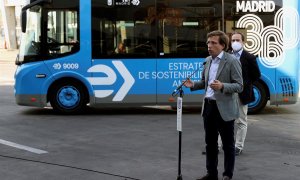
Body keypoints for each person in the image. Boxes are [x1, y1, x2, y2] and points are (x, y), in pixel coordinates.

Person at [183, 30, 243, 180]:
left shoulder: (232, 61)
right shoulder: (207, 60)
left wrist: (223, 86)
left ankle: (227, 175)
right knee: (210, 144)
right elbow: (205, 83)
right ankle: (211, 174)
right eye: (208, 43)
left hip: (224, 109)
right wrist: (193, 85)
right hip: (209, 107)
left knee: (228, 145)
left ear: (223, 45)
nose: (209, 46)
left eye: (213, 43)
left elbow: (239, 86)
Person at [230, 32, 261, 155]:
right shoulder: (227, 56)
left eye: (237, 40)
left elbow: (256, 75)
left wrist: (244, 84)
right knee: (225, 120)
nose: (235, 43)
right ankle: (219, 145)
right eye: (233, 40)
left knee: (241, 121)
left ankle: (238, 147)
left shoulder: (249, 57)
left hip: (242, 93)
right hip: (228, 92)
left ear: (243, 42)